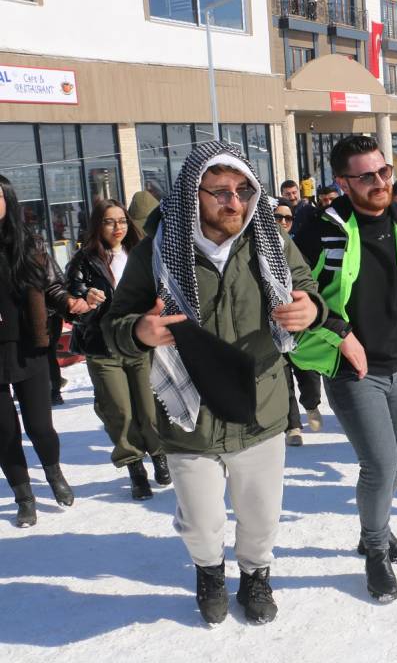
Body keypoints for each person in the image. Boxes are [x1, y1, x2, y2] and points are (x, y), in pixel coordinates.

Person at [103, 142, 324, 624]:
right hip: (190, 413)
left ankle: (256, 575)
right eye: (220, 191)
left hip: (260, 402)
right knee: (202, 522)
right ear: (192, 193)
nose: (234, 201)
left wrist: (311, 309)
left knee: (261, 515)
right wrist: (138, 331)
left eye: (243, 189)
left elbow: (308, 287)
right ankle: (208, 570)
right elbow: (112, 325)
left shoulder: (269, 237)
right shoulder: (156, 251)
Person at [292, 135, 397, 602]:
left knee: (396, 462)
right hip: (350, 368)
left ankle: (373, 530)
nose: (382, 182)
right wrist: (341, 332)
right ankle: (375, 552)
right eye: (367, 176)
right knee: (378, 465)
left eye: (384, 171)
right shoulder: (319, 228)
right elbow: (298, 294)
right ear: (343, 181)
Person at [0, 175, 89, 528]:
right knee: (4, 431)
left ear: (8, 199)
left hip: (30, 345)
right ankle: (24, 496)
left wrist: (71, 303)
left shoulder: (30, 245)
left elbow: (53, 286)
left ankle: (53, 474)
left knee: (40, 425)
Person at [66, 199, 168, 499]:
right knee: (119, 411)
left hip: (139, 343)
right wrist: (85, 296)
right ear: (98, 225)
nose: (117, 227)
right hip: (102, 345)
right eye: (110, 221)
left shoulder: (142, 253)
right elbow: (70, 299)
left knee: (150, 407)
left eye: (122, 220)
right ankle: (134, 466)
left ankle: (159, 455)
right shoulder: (83, 260)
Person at [272, 199, 323, 447]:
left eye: (287, 218)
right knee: (283, 377)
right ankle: (293, 426)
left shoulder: (303, 244)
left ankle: (312, 404)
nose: (282, 223)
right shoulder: (261, 247)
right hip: (273, 324)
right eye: (277, 218)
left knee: (309, 375)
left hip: (301, 323)